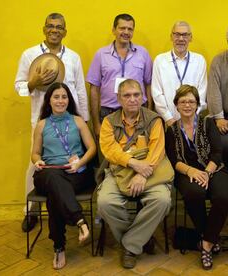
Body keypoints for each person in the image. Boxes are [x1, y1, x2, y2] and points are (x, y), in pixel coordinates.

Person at [15, 12, 89, 232]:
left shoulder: (73, 57)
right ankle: (31, 211)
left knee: (74, 162)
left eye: (59, 27)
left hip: (70, 118)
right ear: (44, 28)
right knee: (35, 164)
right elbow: (18, 86)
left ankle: (66, 202)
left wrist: (84, 119)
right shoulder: (29, 55)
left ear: (65, 31)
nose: (54, 30)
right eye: (50, 26)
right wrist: (32, 83)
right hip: (42, 118)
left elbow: (80, 90)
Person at [97, 79, 172, 269]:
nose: (132, 99)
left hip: (149, 171)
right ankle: (141, 238)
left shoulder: (154, 119)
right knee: (105, 202)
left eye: (136, 95)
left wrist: (142, 174)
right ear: (119, 99)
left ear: (143, 97)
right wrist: (133, 163)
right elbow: (109, 150)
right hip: (118, 172)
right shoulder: (108, 121)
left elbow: (156, 151)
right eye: (127, 95)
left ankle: (130, 246)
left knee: (162, 200)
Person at [166, 85, 228, 270]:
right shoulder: (171, 130)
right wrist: (192, 172)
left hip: (215, 169)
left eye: (191, 101)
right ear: (176, 105)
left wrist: (206, 172)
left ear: (197, 105)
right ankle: (210, 238)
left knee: (223, 195)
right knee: (194, 194)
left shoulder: (208, 123)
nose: (187, 105)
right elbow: (173, 160)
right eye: (183, 101)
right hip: (186, 173)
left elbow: (218, 153)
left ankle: (206, 243)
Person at [31, 82, 96, 270]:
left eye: (64, 97)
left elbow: (92, 148)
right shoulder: (42, 125)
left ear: (69, 100)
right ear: (49, 100)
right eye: (56, 97)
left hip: (76, 172)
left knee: (55, 193)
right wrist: (38, 161)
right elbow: (35, 153)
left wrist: (80, 163)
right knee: (53, 178)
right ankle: (80, 221)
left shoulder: (78, 121)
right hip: (49, 171)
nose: (61, 100)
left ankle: (59, 247)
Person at [87, 13, 153, 138]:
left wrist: (149, 113)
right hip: (109, 112)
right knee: (109, 154)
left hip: (138, 112)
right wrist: (95, 123)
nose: (126, 32)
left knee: (137, 151)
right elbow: (94, 89)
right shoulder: (101, 54)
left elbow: (148, 84)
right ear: (114, 30)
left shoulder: (143, 53)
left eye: (130, 29)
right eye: (122, 28)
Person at [152, 21, 207, 126]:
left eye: (185, 35)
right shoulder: (160, 60)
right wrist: (168, 118)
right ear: (171, 37)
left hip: (193, 122)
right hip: (167, 122)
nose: (181, 39)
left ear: (191, 37)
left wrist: (192, 117)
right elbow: (157, 93)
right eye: (177, 34)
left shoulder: (199, 61)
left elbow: (202, 93)